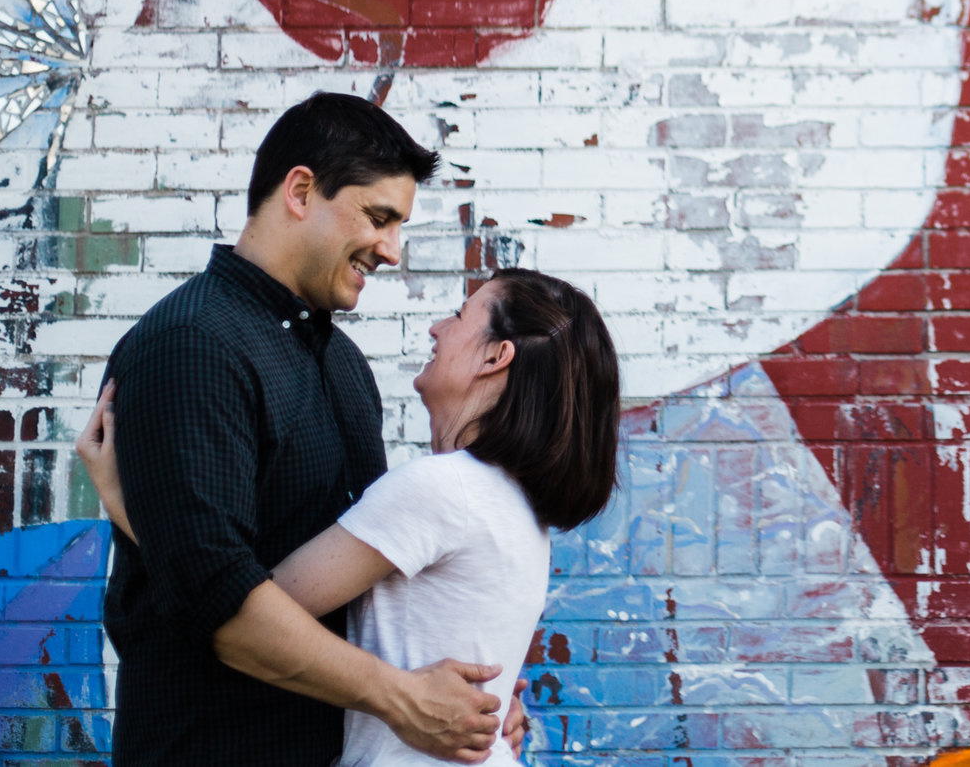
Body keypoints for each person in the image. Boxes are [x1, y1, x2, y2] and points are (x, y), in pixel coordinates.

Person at [85, 94, 505, 765]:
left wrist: (472, 699)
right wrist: (403, 697)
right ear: (302, 190)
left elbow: (363, 579)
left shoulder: (340, 361)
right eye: (378, 217)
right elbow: (219, 602)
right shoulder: (193, 346)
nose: (392, 250)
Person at [84, 265, 620, 767]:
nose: (437, 328)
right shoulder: (512, 503)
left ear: (494, 357)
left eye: (458, 317)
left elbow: (249, 607)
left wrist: (129, 505)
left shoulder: (441, 489)